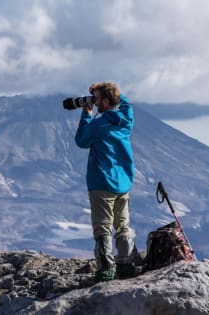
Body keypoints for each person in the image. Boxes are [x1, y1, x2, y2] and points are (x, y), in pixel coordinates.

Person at [74, 82, 136, 281]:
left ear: (107, 101)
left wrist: (86, 113)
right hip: (123, 182)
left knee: (103, 228)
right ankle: (126, 266)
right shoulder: (126, 120)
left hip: (102, 182)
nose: (95, 101)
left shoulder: (99, 124)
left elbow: (81, 141)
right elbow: (126, 104)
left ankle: (106, 270)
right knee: (123, 226)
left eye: (98, 98)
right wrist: (110, 91)